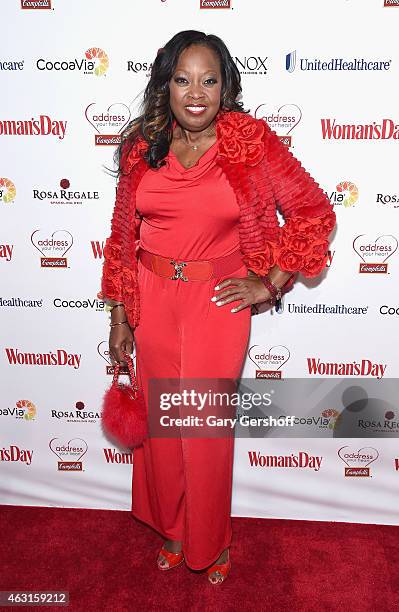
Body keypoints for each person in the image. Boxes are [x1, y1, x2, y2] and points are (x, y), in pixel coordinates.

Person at [98, 30, 336, 585]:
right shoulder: (142, 143)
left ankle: (212, 540)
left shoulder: (248, 142)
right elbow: (120, 233)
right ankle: (176, 529)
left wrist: (271, 282)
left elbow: (313, 211)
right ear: (166, 86)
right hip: (152, 299)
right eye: (183, 80)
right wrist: (119, 313)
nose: (196, 92)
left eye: (209, 80)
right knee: (163, 426)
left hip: (216, 300)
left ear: (226, 85)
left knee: (201, 429)